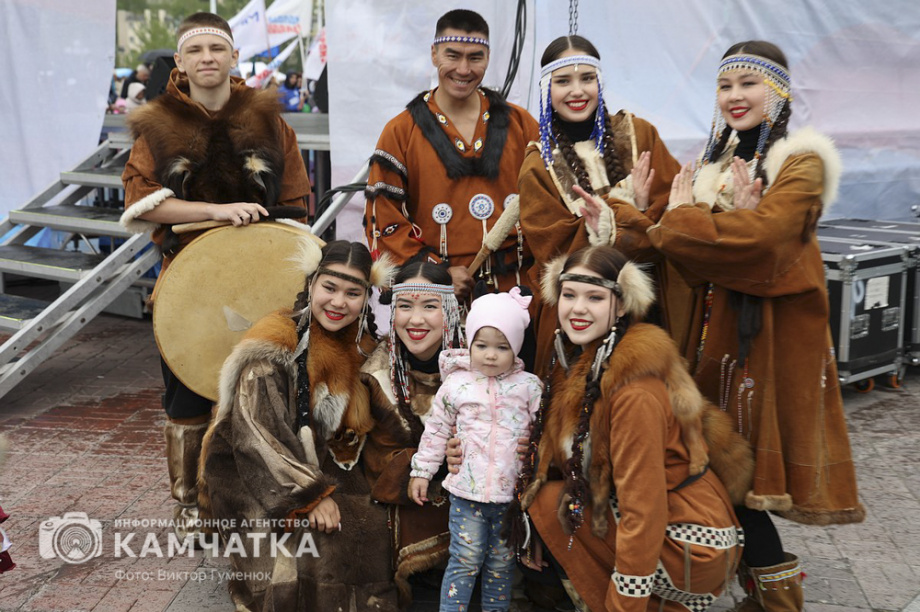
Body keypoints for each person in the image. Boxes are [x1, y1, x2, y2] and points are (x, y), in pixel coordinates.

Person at [647, 41, 865, 609]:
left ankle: (777, 601)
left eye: (749, 83)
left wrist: (689, 223)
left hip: (767, 343)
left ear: (779, 91)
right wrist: (643, 221)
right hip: (712, 340)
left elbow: (762, 242)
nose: (735, 96)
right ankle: (759, 593)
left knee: (741, 478)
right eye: (726, 86)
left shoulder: (801, 162)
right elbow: (694, 252)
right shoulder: (715, 162)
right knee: (722, 471)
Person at [119, 12, 311, 540]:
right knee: (187, 395)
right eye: (196, 49)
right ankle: (188, 502)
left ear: (232, 57)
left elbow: (296, 202)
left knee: (265, 388)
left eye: (217, 48)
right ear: (179, 62)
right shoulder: (156, 123)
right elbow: (140, 203)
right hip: (188, 281)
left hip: (261, 279)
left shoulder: (269, 119)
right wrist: (220, 211)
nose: (207, 58)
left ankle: (254, 494)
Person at [513, 245, 745, 612]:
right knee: (542, 501)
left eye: (594, 297)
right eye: (569, 295)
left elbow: (644, 509)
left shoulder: (634, 392)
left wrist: (625, 605)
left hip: (694, 543)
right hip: (663, 520)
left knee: (548, 505)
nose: (578, 308)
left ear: (620, 306)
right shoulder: (579, 360)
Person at [200, 239, 404, 611]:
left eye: (352, 293)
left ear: (366, 298)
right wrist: (309, 497)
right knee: (303, 551)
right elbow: (258, 436)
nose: (339, 302)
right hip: (253, 474)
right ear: (311, 284)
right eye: (329, 287)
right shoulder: (275, 342)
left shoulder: (361, 345)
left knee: (369, 525)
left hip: (314, 465)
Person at [518, 35, 685, 377]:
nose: (577, 91)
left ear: (600, 82)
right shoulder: (538, 165)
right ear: (547, 89)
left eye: (587, 79)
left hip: (651, 306)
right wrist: (631, 208)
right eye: (563, 81)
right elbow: (556, 252)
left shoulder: (640, 134)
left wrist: (611, 224)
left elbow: (674, 218)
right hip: (578, 316)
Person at [365, 9, 540, 301]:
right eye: (452, 55)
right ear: (434, 55)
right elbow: (383, 222)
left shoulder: (521, 124)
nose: (463, 69)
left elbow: (548, 205)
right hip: (437, 298)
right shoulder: (401, 131)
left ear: (488, 58)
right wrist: (437, 273)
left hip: (519, 296)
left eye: (475, 57)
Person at [408, 289, 542, 612]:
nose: (491, 355)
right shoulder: (457, 385)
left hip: (510, 499)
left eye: (502, 347)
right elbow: (437, 430)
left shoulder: (529, 387)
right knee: (465, 559)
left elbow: (544, 433)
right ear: (470, 345)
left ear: (516, 347)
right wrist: (422, 472)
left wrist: (536, 460)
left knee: (501, 564)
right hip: (467, 495)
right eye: (481, 346)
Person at [359, 261, 465, 606]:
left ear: (449, 309)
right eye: (405, 306)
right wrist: (428, 464)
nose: (415, 320)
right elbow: (373, 463)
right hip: (406, 502)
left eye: (429, 306)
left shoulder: (482, 363)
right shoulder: (376, 373)